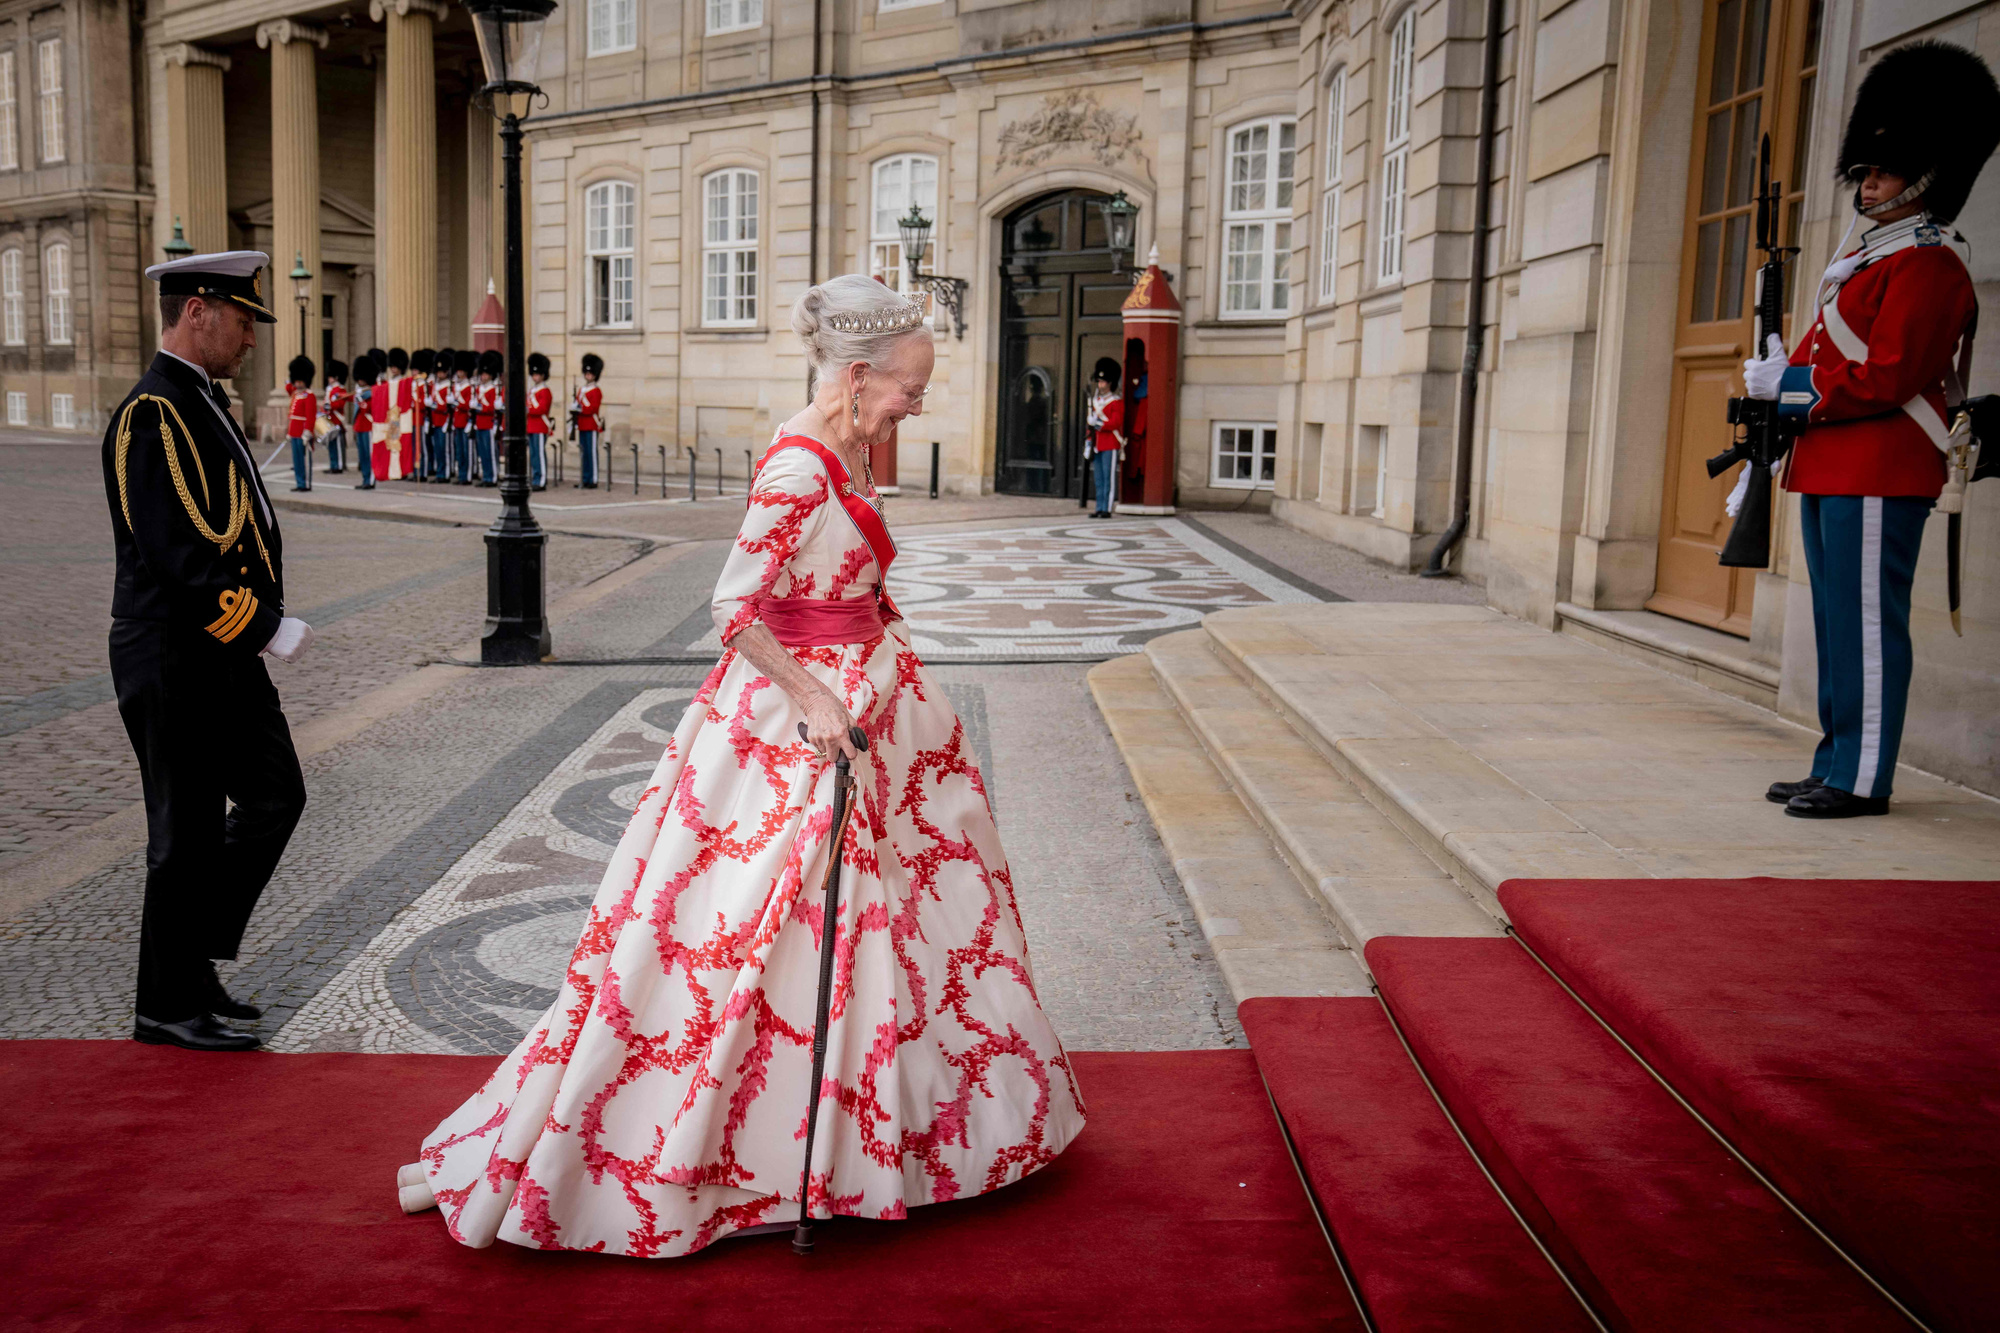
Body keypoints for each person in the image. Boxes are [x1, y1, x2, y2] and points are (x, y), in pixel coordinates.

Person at [397, 273, 1084, 1254]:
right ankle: (755, 1154)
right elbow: (735, 610)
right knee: (772, 925)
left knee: (900, 919)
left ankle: (885, 1137)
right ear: (855, 377)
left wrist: (886, 656)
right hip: (800, 726)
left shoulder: (850, 450)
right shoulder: (800, 466)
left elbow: (850, 576)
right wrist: (813, 697)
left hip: (874, 711)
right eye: (908, 386)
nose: (917, 401)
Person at [1745, 41, 1999, 819]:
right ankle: (1835, 757)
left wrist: (1791, 390)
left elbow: (1888, 374)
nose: (1869, 181)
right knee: (1836, 626)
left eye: (1884, 171)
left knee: (1867, 629)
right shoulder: (1870, 258)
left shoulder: (1927, 263)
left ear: (1923, 178)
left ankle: (1862, 777)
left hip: (1881, 466)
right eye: (1866, 170)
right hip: (1832, 463)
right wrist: (1784, 379)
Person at [103, 250, 312, 1052]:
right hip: (174, 649)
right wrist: (261, 625)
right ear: (197, 311)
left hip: (218, 650)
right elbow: (175, 552)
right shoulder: (152, 413)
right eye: (241, 320)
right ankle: (164, 1002)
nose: (250, 338)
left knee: (275, 795)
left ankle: (193, 959)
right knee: (183, 830)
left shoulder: (199, 400)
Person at [1085, 356, 1124, 518]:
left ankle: (1107, 508)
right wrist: (1088, 443)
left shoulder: (1116, 402)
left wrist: (1097, 423)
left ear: (1110, 383)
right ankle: (1099, 507)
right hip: (1097, 444)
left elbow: (1115, 422)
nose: (1100, 385)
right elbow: (1090, 427)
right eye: (1099, 382)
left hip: (1110, 444)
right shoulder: (1095, 401)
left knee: (1109, 478)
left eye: (1103, 382)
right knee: (1099, 479)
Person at [284, 355, 316, 492]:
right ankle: (299, 482)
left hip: (303, 432)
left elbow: (310, 415)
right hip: (294, 432)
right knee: (296, 460)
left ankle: (306, 484)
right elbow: (288, 388)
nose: (298, 384)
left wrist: (308, 432)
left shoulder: (309, 395)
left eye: (300, 381)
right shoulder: (296, 394)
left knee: (304, 461)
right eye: (296, 381)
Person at [473, 349, 502, 486]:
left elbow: (492, 408)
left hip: (490, 423)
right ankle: (486, 476)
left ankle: (493, 477)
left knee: (490, 452)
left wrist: (480, 407)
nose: (484, 376)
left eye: (486, 374)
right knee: (483, 453)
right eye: (482, 373)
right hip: (480, 423)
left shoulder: (494, 389)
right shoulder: (479, 389)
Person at [574, 352, 602, 488]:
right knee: (584, 453)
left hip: (591, 424)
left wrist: (580, 409)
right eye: (586, 373)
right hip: (582, 424)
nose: (588, 376)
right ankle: (585, 478)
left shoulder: (596, 391)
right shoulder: (581, 390)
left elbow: (592, 409)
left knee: (591, 453)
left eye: (590, 374)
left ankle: (593, 479)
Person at [525, 350, 552, 490]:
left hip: (540, 425)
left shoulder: (544, 391)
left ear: (543, 375)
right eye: (534, 374)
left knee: (539, 454)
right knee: (534, 454)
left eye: (538, 374)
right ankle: (535, 478)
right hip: (531, 426)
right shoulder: (532, 391)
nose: (535, 377)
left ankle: (541, 480)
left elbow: (542, 409)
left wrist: (529, 410)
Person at [428, 346, 455, 483]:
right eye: (438, 372)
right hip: (435, 420)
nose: (439, 374)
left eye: (442, 372)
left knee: (445, 450)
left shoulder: (449, 386)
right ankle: (440, 472)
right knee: (437, 449)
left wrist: (437, 405)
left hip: (444, 421)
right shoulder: (435, 386)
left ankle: (446, 473)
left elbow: (447, 406)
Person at [450, 349, 476, 484]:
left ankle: (468, 476)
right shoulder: (456, 386)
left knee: (467, 451)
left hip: (466, 422)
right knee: (459, 451)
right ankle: (461, 475)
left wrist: (457, 403)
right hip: (457, 422)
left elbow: (468, 405)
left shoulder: (469, 386)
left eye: (461, 370)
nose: (459, 372)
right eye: (458, 370)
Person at [351, 355, 377, 490]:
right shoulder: (360, 392)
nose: (360, 380)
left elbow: (370, 409)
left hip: (368, 427)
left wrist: (361, 401)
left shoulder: (372, 392)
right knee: (362, 456)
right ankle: (365, 478)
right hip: (360, 427)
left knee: (369, 455)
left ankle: (371, 480)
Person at [408, 349, 435, 480]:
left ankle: (422, 472)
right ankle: (416, 470)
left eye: (415, 370)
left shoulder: (423, 385)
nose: (413, 372)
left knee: (422, 447)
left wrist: (414, 403)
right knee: (414, 448)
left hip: (420, 419)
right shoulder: (411, 384)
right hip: (412, 420)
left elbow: (424, 403)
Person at [322, 358, 351, 475]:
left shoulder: (340, 389)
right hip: (330, 420)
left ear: (336, 377)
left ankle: (339, 465)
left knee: (338, 445)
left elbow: (339, 403)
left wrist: (329, 406)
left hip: (337, 421)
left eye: (331, 376)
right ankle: (333, 464)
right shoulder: (330, 389)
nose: (329, 378)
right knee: (331, 445)